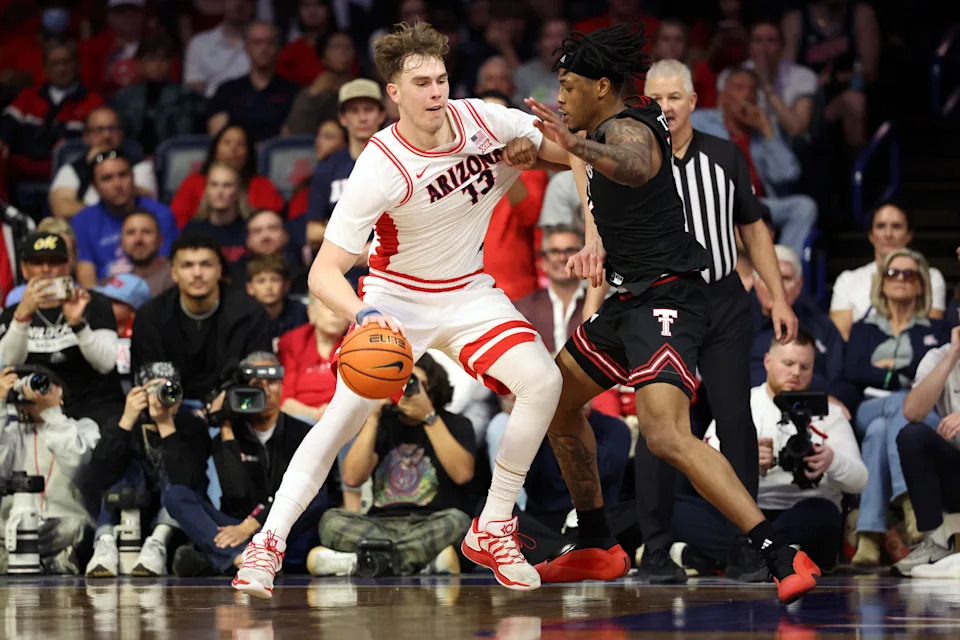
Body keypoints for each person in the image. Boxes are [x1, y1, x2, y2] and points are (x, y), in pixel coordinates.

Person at [232, 21, 567, 598]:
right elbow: (321, 273)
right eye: (421, 83)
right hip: (396, 299)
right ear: (395, 92)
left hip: (469, 290)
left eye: (440, 79)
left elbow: (573, 155)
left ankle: (493, 525)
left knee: (542, 381)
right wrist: (362, 315)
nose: (435, 92)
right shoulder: (379, 165)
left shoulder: (483, 117)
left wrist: (538, 157)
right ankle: (267, 544)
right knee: (340, 420)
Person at [516, 25, 819, 603]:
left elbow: (628, 164)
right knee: (552, 401)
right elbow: (559, 152)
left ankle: (779, 552)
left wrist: (572, 146)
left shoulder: (631, 130)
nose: (560, 97)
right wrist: (514, 148)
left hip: (668, 299)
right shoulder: (595, 130)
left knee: (664, 436)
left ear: (602, 87)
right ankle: (599, 542)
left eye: (568, 86)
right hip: (630, 299)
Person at [617, 59, 797, 583]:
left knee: (735, 420)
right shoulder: (629, 163)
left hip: (721, 299)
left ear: (694, 102)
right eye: (656, 99)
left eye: (675, 97)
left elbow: (754, 228)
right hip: (659, 303)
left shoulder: (725, 156)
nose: (666, 108)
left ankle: (748, 549)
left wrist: (778, 296)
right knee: (661, 427)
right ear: (641, 105)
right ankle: (655, 551)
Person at [675, 334, 867, 572]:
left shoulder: (831, 413)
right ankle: (778, 556)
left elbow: (860, 482)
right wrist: (745, 462)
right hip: (747, 512)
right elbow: (703, 468)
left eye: (804, 366)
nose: (796, 372)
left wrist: (832, 461)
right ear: (767, 362)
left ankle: (734, 558)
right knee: (678, 508)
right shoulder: (741, 404)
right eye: (788, 364)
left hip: (805, 510)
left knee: (824, 515)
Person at [306, 353, 475, 577]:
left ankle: (362, 563)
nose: (406, 390)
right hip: (380, 525)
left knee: (460, 521)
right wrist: (373, 415)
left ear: (432, 388)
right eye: (400, 384)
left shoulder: (456, 423)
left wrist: (429, 417)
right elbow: (352, 478)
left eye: (413, 383)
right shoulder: (383, 425)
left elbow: (462, 474)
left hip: (431, 521)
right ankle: (420, 562)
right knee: (330, 521)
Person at [163, 352, 331, 576]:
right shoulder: (230, 434)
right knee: (176, 495)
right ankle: (244, 557)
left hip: (283, 530)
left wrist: (251, 526)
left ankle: (218, 560)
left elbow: (315, 499)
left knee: (313, 501)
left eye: (272, 382)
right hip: (234, 525)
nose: (265, 390)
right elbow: (236, 493)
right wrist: (225, 426)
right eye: (256, 384)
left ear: (282, 385)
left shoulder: (302, 433)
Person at [845, 248, 947, 565]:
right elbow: (853, 370)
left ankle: (869, 537)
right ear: (882, 282)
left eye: (910, 274)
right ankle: (909, 498)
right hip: (871, 404)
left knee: (879, 432)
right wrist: (897, 373)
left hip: (920, 409)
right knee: (893, 407)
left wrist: (883, 372)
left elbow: (929, 371)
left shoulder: (935, 330)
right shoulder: (864, 328)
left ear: (921, 285)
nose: (900, 279)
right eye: (893, 273)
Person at [83, 361, 210, 578]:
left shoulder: (192, 426)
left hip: (174, 529)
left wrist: (166, 425)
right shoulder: (123, 423)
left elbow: (188, 480)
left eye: (170, 388)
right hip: (128, 514)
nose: (163, 395)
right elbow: (97, 477)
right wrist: (126, 421)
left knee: (178, 484)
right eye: (154, 388)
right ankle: (105, 542)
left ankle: (157, 543)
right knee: (126, 468)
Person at [690, 65, 817, 260]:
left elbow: (787, 174)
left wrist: (767, 131)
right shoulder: (699, 123)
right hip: (719, 203)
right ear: (723, 96)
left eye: (752, 89)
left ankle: (783, 268)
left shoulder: (765, 127)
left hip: (761, 205)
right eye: (739, 88)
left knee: (804, 207)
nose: (747, 95)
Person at [0, 232, 125, 427]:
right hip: (37, 413)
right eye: (36, 262)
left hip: (96, 409)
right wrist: (22, 318)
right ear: (24, 269)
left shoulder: (94, 303)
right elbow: (11, 363)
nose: (46, 269)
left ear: (68, 265)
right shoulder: (11, 315)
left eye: (54, 261)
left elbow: (106, 364)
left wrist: (78, 324)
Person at [131, 232, 272, 402]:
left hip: (236, 410)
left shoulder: (249, 313)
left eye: (206, 264)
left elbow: (259, 379)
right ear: (174, 273)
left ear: (219, 270)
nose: (197, 273)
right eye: (187, 265)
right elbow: (146, 382)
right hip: (169, 413)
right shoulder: (151, 316)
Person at [0, 365, 100, 575]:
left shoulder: (84, 428)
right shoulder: (11, 433)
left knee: (77, 527)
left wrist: (51, 413)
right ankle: (52, 562)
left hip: (63, 524)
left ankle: (23, 560)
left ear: (60, 391)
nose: (36, 391)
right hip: (16, 527)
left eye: (42, 384)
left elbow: (76, 464)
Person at [751, 246, 856, 413]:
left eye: (785, 278)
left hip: (815, 412)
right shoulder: (736, 325)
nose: (777, 287)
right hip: (753, 412)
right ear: (755, 283)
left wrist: (820, 398)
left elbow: (844, 383)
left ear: (799, 284)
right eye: (769, 279)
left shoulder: (822, 325)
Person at [895, 317, 960, 577]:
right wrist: (953, 354)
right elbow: (912, 411)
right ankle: (935, 541)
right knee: (912, 436)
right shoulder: (940, 356)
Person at [830, 203, 947, 340]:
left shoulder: (930, 277)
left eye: (896, 226)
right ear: (871, 235)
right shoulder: (847, 280)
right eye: (881, 226)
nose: (888, 234)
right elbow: (841, 338)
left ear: (909, 235)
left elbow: (930, 333)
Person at [0, 38, 104, 182]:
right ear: (45, 68)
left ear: (76, 65)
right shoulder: (28, 97)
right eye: (55, 64)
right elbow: (6, 124)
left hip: (69, 179)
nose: (62, 69)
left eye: (66, 62)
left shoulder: (92, 102)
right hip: (22, 178)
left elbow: (100, 139)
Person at [71, 151, 178, 287]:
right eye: (107, 178)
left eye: (123, 175)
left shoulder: (161, 214)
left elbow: (168, 270)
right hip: (105, 298)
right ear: (95, 187)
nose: (117, 184)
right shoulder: (83, 221)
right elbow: (87, 280)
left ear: (133, 177)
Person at [781, 0, 879, 148]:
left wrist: (831, 79)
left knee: (854, 102)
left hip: (844, 94)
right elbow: (785, 75)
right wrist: (812, 83)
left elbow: (868, 72)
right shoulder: (796, 20)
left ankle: (856, 168)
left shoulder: (860, 13)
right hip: (807, 100)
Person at [49, 106, 157, 219]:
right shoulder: (72, 170)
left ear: (122, 133)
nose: (106, 136)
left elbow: (146, 202)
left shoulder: (140, 166)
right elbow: (62, 209)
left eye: (112, 128)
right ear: (86, 136)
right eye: (99, 130)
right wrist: (91, 167)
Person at [170, 125, 284, 229]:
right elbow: (178, 221)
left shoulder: (263, 185)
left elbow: (273, 224)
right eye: (227, 143)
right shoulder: (193, 182)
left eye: (240, 144)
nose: (233, 149)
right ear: (215, 149)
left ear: (248, 152)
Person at [206, 21, 300, 144]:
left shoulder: (294, 92)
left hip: (279, 159)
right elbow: (219, 139)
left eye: (270, 43)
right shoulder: (226, 91)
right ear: (246, 47)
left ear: (279, 48)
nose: (264, 48)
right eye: (257, 43)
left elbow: (293, 139)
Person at [112, 33, 203, 156]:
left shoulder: (186, 97)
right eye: (151, 58)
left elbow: (184, 139)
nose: (158, 64)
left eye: (164, 58)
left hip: (172, 159)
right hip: (131, 159)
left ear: (171, 63)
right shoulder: (123, 98)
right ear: (139, 63)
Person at [731, 19, 817, 140]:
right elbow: (731, 124)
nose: (763, 47)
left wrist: (767, 86)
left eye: (771, 40)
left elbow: (796, 129)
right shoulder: (733, 76)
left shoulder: (803, 76)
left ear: (781, 47)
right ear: (750, 48)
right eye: (758, 40)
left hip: (788, 145)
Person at [514, 225, 586, 356]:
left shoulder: (600, 305)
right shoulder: (522, 309)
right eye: (554, 251)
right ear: (544, 262)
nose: (562, 258)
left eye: (570, 250)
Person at [277, 297, 349, 424]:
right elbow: (285, 401)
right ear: (311, 312)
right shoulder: (293, 342)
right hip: (301, 418)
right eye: (327, 307)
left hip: (344, 420)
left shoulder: (357, 345)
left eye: (340, 308)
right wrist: (316, 414)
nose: (334, 313)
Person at [283, 32, 359, 136]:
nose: (342, 51)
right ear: (323, 57)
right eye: (336, 47)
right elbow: (297, 132)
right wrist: (312, 96)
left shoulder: (362, 88)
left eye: (348, 47)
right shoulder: (312, 93)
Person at [183, 0, 255, 98]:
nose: (239, 3)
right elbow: (194, 88)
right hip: (210, 107)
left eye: (246, 1)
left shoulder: (263, 44)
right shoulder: (199, 43)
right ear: (223, 3)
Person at [182, 163, 253, 262]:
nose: (219, 192)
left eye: (227, 185)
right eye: (214, 185)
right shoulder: (192, 230)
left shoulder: (252, 228)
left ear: (239, 191)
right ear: (206, 189)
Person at [91, 273, 152, 388]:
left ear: (134, 309)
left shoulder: (146, 338)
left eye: (116, 301)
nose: (105, 304)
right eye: (105, 298)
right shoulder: (93, 327)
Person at [647, 19, 717, 109]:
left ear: (686, 45)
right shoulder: (644, 74)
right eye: (666, 39)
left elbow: (710, 107)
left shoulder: (700, 70)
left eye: (678, 39)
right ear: (656, 46)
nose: (672, 44)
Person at [109, 210, 175, 296]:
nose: (138, 240)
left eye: (146, 232)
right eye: (131, 233)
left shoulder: (176, 275)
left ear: (160, 240)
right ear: (122, 242)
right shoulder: (114, 283)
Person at [245, 253, 307, 344]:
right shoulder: (244, 317)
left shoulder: (301, 312)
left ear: (286, 285)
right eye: (261, 281)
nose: (268, 286)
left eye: (275, 279)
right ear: (250, 288)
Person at [513, 20, 567, 112]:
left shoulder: (581, 74)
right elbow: (518, 111)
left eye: (560, 36)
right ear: (539, 43)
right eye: (549, 36)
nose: (555, 43)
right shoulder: (524, 74)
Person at [276, 0, 333, 86]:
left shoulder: (343, 46)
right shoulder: (290, 52)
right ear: (298, 11)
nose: (312, 10)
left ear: (328, 9)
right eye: (306, 5)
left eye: (319, 4)